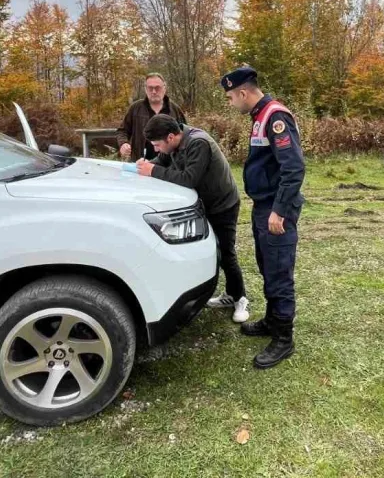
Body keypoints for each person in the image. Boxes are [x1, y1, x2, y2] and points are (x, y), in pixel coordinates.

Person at [221, 66, 305, 369]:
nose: (231, 103)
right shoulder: (259, 116)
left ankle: (284, 339)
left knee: (279, 271)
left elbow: (293, 169)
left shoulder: (275, 117)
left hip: (275, 210)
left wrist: (279, 210)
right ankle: (272, 321)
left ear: (243, 92)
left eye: (231, 97)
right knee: (268, 266)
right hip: (263, 207)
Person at [137, 114, 250, 324]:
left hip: (223, 205)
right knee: (211, 252)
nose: (157, 149)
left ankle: (239, 297)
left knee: (225, 252)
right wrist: (146, 165)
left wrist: (152, 171)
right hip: (204, 205)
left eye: (158, 144)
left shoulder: (199, 143)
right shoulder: (173, 145)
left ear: (171, 137)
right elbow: (159, 161)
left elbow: (189, 179)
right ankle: (229, 294)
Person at [116, 73, 187, 162]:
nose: (154, 91)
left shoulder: (174, 109)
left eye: (157, 88)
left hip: (169, 164)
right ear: (146, 89)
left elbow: (183, 135)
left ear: (164, 88)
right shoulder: (135, 108)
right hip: (140, 161)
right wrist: (123, 144)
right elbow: (122, 131)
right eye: (150, 88)